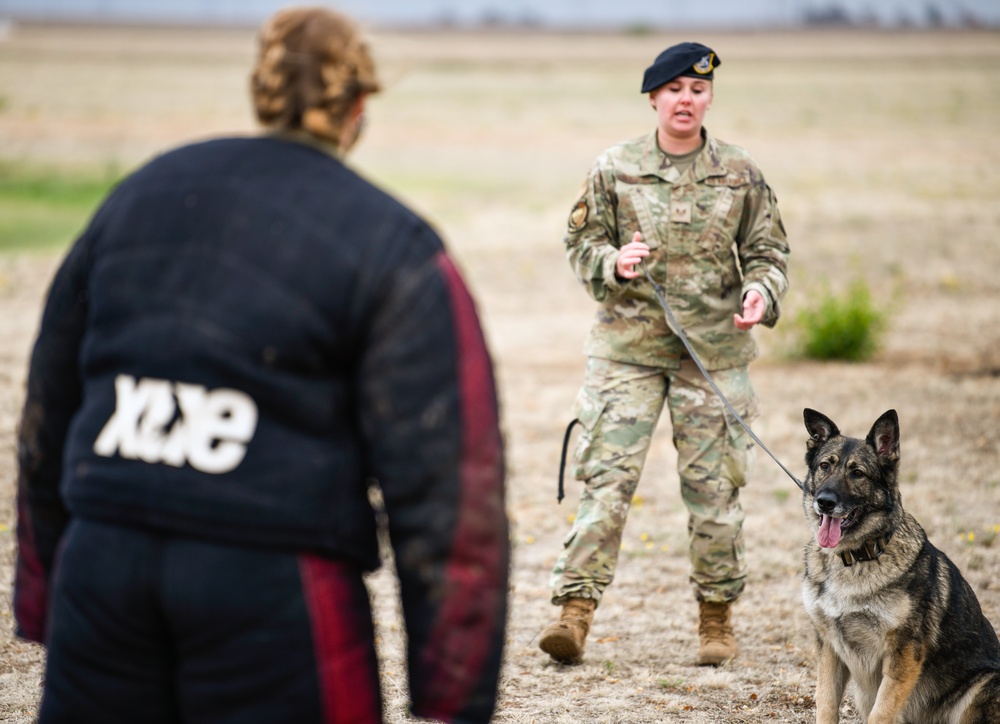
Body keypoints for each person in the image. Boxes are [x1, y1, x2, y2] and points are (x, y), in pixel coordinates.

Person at [13, 7, 509, 723]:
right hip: (275, 586)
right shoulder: (390, 243)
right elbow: (451, 487)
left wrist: (46, 596)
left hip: (102, 567)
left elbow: (46, 411)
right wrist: (454, 698)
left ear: (263, 92)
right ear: (358, 108)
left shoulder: (138, 197)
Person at [539, 42, 789, 667]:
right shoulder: (614, 168)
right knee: (606, 484)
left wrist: (761, 292)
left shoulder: (740, 172)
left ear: (709, 98)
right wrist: (612, 263)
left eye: (697, 90)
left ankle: (716, 619)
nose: (687, 100)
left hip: (713, 353)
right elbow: (581, 243)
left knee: (714, 494)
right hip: (628, 350)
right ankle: (574, 615)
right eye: (674, 89)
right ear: (653, 97)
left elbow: (768, 252)